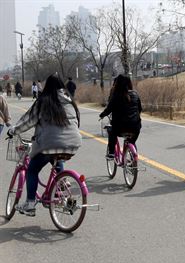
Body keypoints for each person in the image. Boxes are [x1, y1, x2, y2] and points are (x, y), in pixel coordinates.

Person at [7, 74, 82, 216]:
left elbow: (28, 122)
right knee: (58, 160)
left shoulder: (43, 101)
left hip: (48, 144)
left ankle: (30, 204)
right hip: (73, 143)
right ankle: (64, 193)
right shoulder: (70, 101)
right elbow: (76, 121)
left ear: (47, 86)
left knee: (32, 170)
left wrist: (13, 131)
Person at [99, 74, 142, 160]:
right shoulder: (135, 94)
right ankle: (133, 157)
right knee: (132, 141)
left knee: (111, 132)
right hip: (135, 128)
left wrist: (102, 115)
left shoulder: (116, 96)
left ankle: (111, 153)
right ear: (130, 83)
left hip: (120, 128)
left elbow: (108, 109)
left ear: (117, 84)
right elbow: (140, 109)